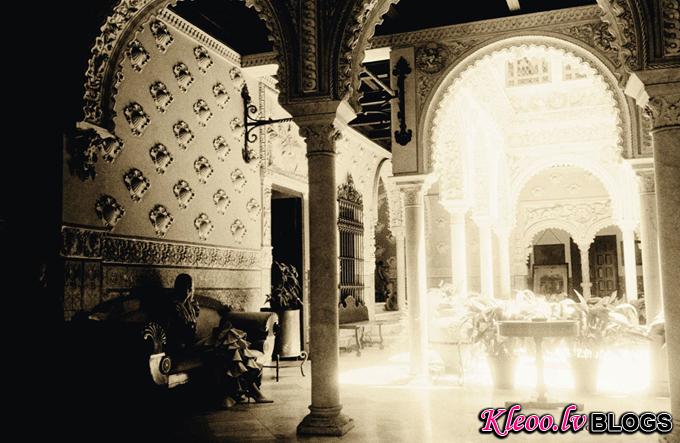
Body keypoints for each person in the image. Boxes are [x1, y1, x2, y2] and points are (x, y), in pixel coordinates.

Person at [168, 273, 272, 408]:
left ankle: (245, 390)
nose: (190, 291)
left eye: (191, 288)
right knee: (229, 339)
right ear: (181, 288)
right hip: (184, 348)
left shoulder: (190, 305)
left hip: (194, 343)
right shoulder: (174, 307)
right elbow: (183, 334)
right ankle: (252, 391)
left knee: (231, 341)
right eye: (187, 288)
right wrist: (189, 313)